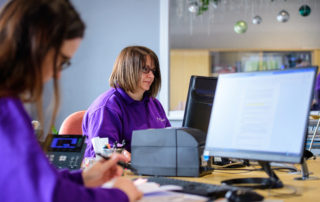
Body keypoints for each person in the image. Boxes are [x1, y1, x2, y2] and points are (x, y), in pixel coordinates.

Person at [0, 0, 142, 202]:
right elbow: (47, 196)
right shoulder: (6, 109)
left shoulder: (9, 104)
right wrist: (120, 195)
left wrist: (83, 178)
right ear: (35, 45)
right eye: (61, 60)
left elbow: (33, 180)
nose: (58, 74)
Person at [83, 46, 171, 159]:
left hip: (155, 168)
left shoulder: (155, 104)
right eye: (145, 69)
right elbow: (103, 154)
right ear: (128, 69)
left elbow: (170, 142)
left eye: (153, 71)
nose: (152, 76)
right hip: (121, 173)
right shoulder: (107, 107)